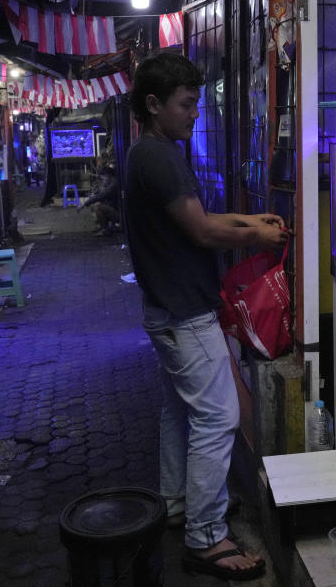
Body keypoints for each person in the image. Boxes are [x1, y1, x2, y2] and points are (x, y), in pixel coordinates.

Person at [125, 52, 287, 581]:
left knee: (182, 414)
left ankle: (179, 506)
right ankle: (205, 538)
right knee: (220, 417)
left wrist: (249, 220)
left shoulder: (151, 151)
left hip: (165, 309)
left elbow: (200, 218)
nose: (195, 112)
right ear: (154, 104)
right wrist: (258, 234)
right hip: (184, 313)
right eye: (186, 103)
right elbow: (200, 231)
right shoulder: (158, 157)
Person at [80, 164, 120, 236]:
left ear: (108, 176)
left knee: (97, 206)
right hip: (114, 209)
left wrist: (84, 204)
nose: (103, 180)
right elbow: (101, 193)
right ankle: (103, 226)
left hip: (119, 214)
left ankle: (105, 229)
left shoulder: (114, 185)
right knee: (95, 205)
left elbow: (102, 195)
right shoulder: (111, 183)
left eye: (103, 178)